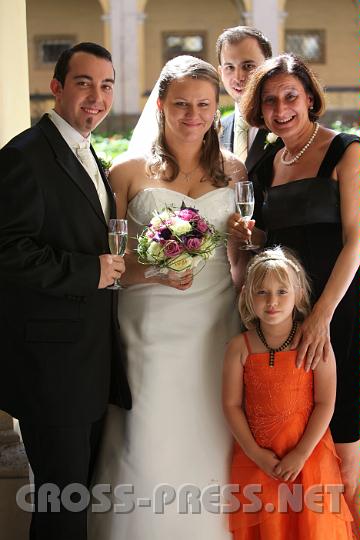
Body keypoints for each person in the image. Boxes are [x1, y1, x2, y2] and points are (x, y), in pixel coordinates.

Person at [89, 55, 246, 540]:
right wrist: (154, 269)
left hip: (216, 322)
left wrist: (249, 240)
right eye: (181, 104)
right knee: (149, 433)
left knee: (213, 430)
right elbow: (109, 264)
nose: (192, 114)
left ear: (216, 108)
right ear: (161, 105)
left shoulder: (236, 171)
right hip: (148, 320)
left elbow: (240, 258)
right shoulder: (127, 172)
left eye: (203, 104)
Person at [0, 42, 131, 540]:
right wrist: (87, 272)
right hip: (51, 370)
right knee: (61, 510)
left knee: (74, 503)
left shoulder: (85, 151)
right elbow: (7, 251)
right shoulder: (23, 157)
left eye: (106, 85)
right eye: (83, 83)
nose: (96, 97)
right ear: (56, 87)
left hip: (87, 364)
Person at [228, 53, 360, 535]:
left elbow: (357, 241)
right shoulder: (263, 165)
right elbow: (273, 245)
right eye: (269, 100)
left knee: (345, 443)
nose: (281, 108)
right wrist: (246, 239)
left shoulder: (346, 151)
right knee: (299, 442)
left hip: (339, 311)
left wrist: (323, 314)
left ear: (309, 98)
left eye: (290, 96)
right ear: (258, 110)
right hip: (283, 318)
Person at [223, 246, 353, 539]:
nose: (272, 301)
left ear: (299, 295)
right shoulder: (238, 348)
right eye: (262, 293)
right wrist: (255, 453)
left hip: (309, 459)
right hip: (258, 462)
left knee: (311, 528)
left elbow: (325, 402)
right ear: (247, 296)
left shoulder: (314, 343)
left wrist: (301, 453)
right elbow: (231, 405)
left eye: (282, 292)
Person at [216, 26, 283, 176]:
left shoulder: (287, 123)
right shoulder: (214, 131)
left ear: (268, 67)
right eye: (229, 67)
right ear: (220, 72)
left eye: (248, 66)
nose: (238, 76)